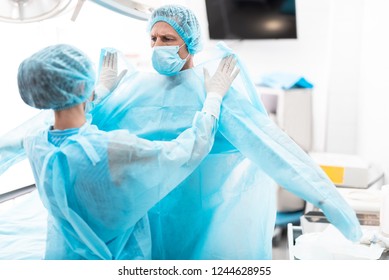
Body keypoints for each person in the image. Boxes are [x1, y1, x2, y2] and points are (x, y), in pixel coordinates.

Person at [0, 4, 362, 260]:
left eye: (167, 39)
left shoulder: (210, 88)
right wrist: (104, 94)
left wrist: (339, 211)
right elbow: (180, 149)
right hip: (136, 234)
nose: (157, 47)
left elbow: (278, 153)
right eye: (153, 39)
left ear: (191, 42)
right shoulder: (135, 89)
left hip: (197, 220)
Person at [15, 43, 239, 260]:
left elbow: (69, 125)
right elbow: (188, 149)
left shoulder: (34, 141)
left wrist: (100, 92)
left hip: (62, 258)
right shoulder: (112, 148)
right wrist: (214, 98)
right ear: (83, 87)